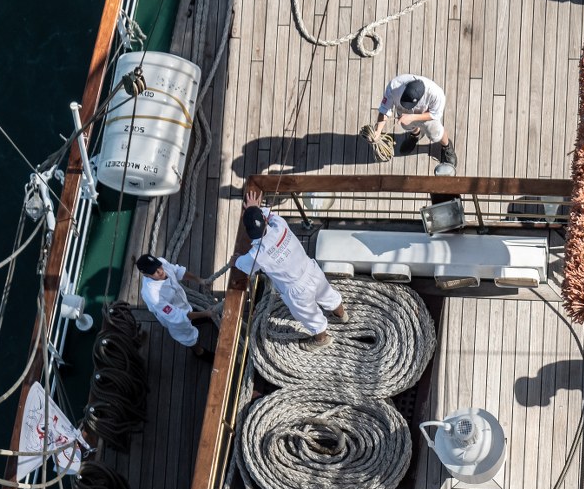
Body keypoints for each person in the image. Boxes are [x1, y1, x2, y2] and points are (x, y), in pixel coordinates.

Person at [234, 185, 348, 349]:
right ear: (264, 221)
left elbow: (243, 265)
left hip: (297, 290)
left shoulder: (256, 254)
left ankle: (322, 339)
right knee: (328, 295)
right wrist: (256, 209)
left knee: (311, 317)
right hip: (311, 270)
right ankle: (342, 315)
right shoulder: (280, 225)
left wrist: (234, 261)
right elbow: (270, 216)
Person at [361, 75, 458, 171]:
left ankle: (447, 146)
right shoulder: (393, 86)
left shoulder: (437, 94)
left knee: (436, 134)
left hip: (427, 115)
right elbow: (385, 109)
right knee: (407, 126)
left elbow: (435, 115)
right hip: (404, 113)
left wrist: (412, 117)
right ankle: (415, 135)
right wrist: (378, 131)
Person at [135, 254, 216, 358]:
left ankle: (201, 318)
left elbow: (177, 271)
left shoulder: (162, 262)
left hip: (183, 304)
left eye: (158, 266)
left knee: (191, 311)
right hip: (173, 319)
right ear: (146, 274)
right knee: (186, 336)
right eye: (153, 271)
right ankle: (199, 352)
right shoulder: (152, 295)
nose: (160, 271)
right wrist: (205, 313)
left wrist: (199, 280)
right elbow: (177, 315)